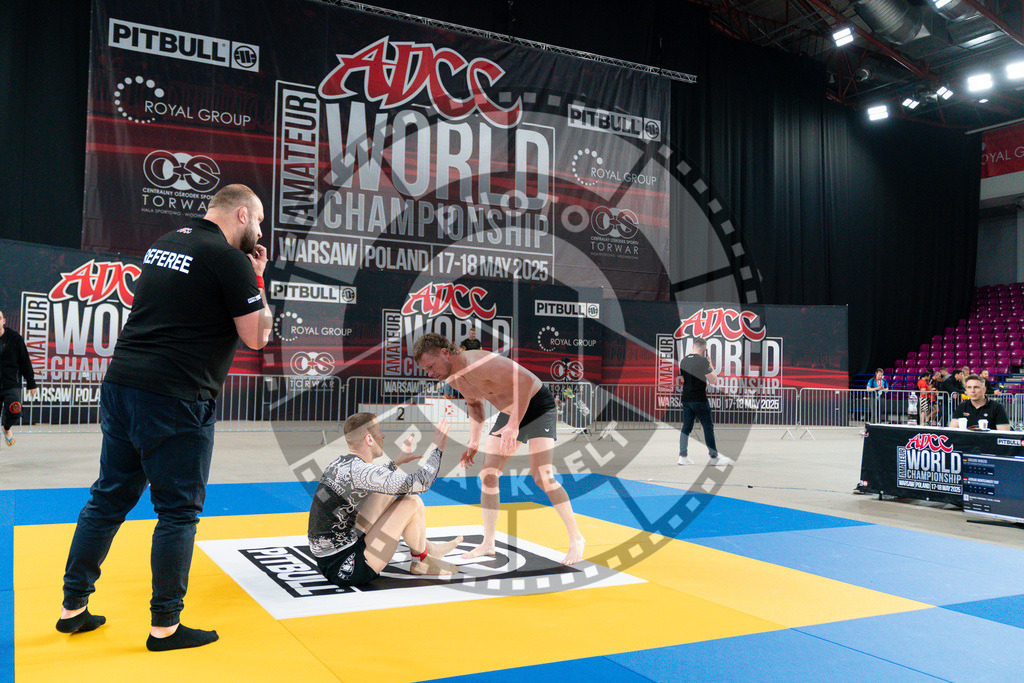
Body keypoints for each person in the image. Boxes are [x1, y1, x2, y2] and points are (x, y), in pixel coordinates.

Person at [57, 184, 273, 651]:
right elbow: (257, 338)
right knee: (178, 512)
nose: (259, 231)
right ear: (241, 214)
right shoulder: (228, 259)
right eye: (257, 222)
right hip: (175, 396)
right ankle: (165, 628)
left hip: (122, 385)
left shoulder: (167, 243)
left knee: (108, 499)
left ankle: (72, 607)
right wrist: (255, 279)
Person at [412, 332, 586, 565]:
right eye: (427, 369)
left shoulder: (478, 362)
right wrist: (474, 442)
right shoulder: (454, 379)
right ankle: (488, 542)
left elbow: (524, 381)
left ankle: (576, 538)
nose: (430, 373)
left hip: (537, 407)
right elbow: (475, 405)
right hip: (509, 414)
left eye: (431, 366)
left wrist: (514, 425)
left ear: (445, 353)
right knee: (489, 475)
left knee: (542, 476)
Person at [308, 414, 461, 586]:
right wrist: (437, 448)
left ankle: (427, 549)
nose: (383, 435)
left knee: (386, 493)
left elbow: (371, 479)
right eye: (379, 431)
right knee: (412, 502)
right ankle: (422, 560)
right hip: (348, 567)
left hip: (330, 558)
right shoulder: (361, 471)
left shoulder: (341, 463)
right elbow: (422, 483)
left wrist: (397, 462)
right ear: (369, 439)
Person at [677, 338, 728, 466]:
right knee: (707, 426)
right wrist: (710, 364)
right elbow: (713, 380)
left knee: (686, 427)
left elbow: (684, 378)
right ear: (704, 349)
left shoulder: (683, 361)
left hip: (686, 398)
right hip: (699, 398)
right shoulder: (703, 360)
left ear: (693, 346)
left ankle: (682, 456)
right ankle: (714, 457)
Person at [0, 309, 39, 446]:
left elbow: (24, 361)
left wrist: (31, 383)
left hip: (11, 384)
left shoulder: (15, 338)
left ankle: (6, 428)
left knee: (15, 410)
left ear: (3, 321)